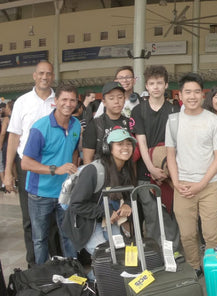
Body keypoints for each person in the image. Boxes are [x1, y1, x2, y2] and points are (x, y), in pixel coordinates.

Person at [166, 73, 217, 277]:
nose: (192, 96)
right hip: (182, 185)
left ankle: (212, 266)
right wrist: (176, 182)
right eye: (187, 92)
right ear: (180, 94)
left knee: (211, 233)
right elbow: (170, 154)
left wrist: (201, 184)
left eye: (196, 92)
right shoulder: (173, 121)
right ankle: (194, 266)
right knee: (187, 234)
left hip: (210, 185)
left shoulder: (213, 121)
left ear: (203, 95)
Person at [21, 83, 81, 264]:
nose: (68, 104)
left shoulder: (76, 124)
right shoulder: (40, 128)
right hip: (40, 194)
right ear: (55, 101)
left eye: (72, 100)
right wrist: (56, 169)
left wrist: (74, 169)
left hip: (65, 192)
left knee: (68, 235)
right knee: (40, 239)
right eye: (64, 99)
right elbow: (25, 163)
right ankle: (41, 277)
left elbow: (74, 150)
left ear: (77, 102)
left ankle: (73, 271)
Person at [5, 60, 56, 266]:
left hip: (54, 167)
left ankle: (54, 262)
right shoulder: (22, 102)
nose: (45, 77)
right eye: (41, 73)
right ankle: (33, 264)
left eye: (48, 74)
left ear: (53, 76)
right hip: (27, 166)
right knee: (30, 219)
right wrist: (7, 171)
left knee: (53, 218)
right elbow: (14, 137)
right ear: (34, 76)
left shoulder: (59, 100)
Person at [130, 65, 181, 250]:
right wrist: (151, 168)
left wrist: (168, 171)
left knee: (171, 216)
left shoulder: (175, 111)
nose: (156, 87)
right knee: (151, 218)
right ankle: (154, 255)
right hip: (146, 173)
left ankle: (173, 253)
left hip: (170, 172)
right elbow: (141, 142)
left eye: (160, 83)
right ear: (147, 86)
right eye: (152, 83)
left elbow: (176, 143)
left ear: (166, 85)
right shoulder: (138, 111)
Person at [67, 128, 136, 258]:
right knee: (105, 255)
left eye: (128, 143)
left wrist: (127, 204)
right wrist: (105, 212)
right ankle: (95, 278)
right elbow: (76, 204)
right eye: (120, 144)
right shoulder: (94, 170)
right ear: (107, 148)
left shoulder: (127, 168)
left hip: (108, 218)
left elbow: (129, 193)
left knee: (121, 253)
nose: (126, 147)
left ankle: (102, 277)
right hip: (87, 221)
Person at [82, 82, 131, 164]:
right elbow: (87, 160)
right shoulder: (94, 125)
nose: (116, 101)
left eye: (120, 97)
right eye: (111, 98)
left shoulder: (129, 123)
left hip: (125, 174)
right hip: (102, 174)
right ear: (104, 102)